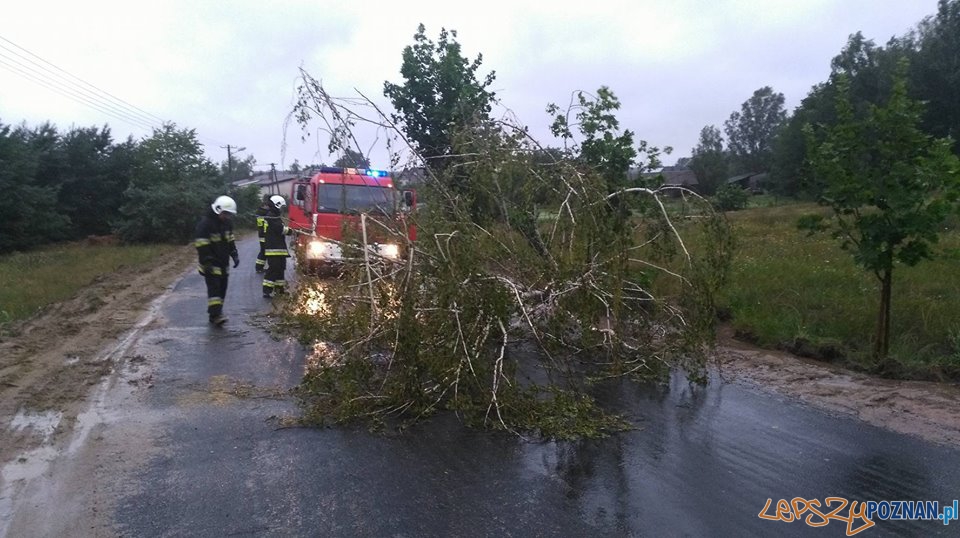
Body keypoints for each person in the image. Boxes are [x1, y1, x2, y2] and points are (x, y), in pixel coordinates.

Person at [195, 195, 239, 325]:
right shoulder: (206, 224)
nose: (227, 217)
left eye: (229, 214)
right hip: (210, 263)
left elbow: (230, 240)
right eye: (225, 214)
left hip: (223, 262)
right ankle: (215, 315)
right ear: (218, 210)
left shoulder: (227, 224)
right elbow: (201, 244)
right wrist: (206, 260)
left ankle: (216, 313)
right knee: (214, 290)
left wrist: (234, 254)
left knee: (222, 289)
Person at [262, 195, 293, 298]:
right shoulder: (271, 216)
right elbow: (280, 229)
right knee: (274, 269)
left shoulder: (274, 215)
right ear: (277, 204)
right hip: (273, 248)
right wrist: (290, 231)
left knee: (280, 269)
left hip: (278, 248)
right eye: (281, 207)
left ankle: (279, 290)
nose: (282, 209)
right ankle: (267, 290)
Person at [254, 195, 270, 273]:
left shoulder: (261, 212)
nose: (268, 208)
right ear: (264, 206)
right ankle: (259, 268)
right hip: (264, 235)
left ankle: (259, 267)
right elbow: (264, 224)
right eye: (267, 206)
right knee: (263, 251)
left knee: (263, 251)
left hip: (262, 234)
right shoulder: (263, 213)